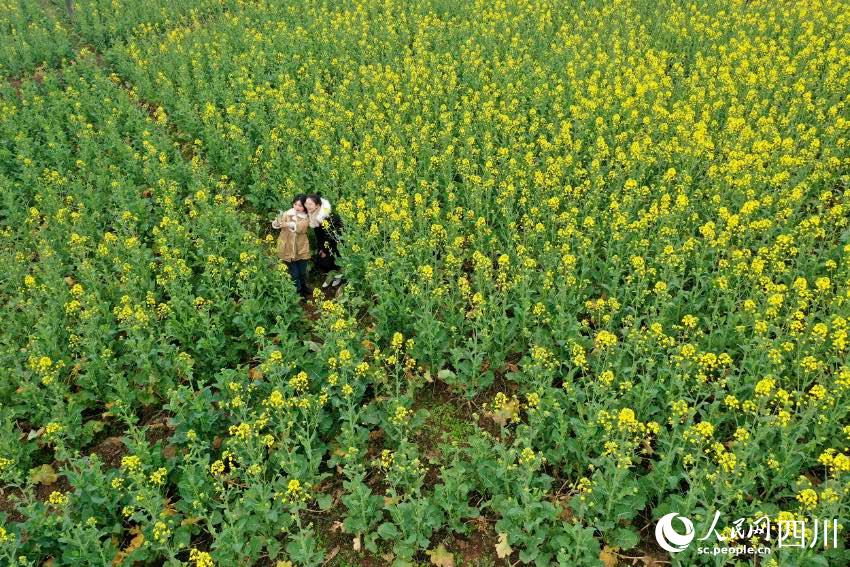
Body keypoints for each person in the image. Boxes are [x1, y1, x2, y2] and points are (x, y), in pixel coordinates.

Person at [272, 195, 311, 299]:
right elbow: (277, 224)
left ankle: (304, 287)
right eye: (295, 204)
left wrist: (288, 224)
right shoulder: (286, 214)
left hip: (301, 248)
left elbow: (300, 227)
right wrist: (276, 223)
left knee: (302, 271)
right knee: (294, 273)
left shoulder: (306, 217)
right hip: (287, 248)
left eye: (300, 205)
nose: (297, 207)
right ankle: (298, 291)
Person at [304, 193, 343, 288]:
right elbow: (319, 235)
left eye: (310, 204)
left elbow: (330, 235)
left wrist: (325, 250)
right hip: (326, 240)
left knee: (333, 259)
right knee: (321, 260)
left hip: (336, 241)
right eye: (306, 204)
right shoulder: (313, 214)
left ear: (317, 205)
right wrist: (321, 248)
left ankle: (338, 277)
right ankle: (330, 276)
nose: (307, 206)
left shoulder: (326, 216)